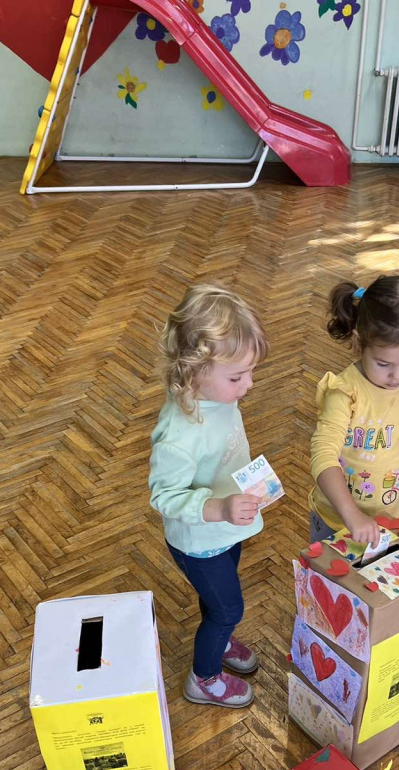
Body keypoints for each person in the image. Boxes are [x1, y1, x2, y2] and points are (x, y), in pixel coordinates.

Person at [149, 284, 268, 708]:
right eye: (237, 377)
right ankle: (204, 678)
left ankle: (219, 637)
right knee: (227, 608)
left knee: (217, 602)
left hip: (223, 529)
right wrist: (218, 507)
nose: (248, 384)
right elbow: (163, 497)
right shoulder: (179, 437)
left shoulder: (216, 395)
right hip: (199, 541)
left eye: (250, 373)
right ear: (194, 371)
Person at [310, 275, 399, 544]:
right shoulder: (344, 392)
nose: (397, 376)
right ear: (359, 341)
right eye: (383, 364)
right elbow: (323, 455)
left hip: (394, 518)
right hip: (336, 521)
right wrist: (352, 515)